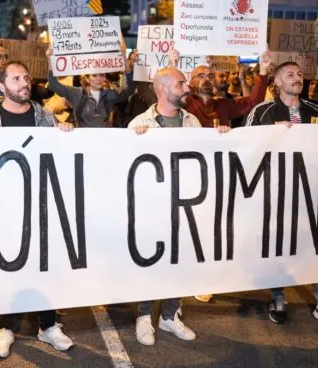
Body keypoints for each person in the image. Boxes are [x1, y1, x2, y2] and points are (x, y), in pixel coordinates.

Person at [0, 60, 75, 359]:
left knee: (44, 264)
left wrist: (65, 132)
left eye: (26, 77)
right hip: (3, 207)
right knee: (8, 266)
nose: (24, 82)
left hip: (41, 203)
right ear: (1, 87)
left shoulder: (44, 117)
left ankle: (48, 324)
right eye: (16, 79)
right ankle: (6, 327)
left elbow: (62, 159)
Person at [244, 61, 318, 331]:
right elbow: (244, 148)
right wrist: (271, 134)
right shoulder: (262, 112)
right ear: (278, 83)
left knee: (314, 246)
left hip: (309, 194)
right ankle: (278, 297)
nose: (298, 78)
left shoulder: (316, 111)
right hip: (274, 195)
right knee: (277, 247)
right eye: (290, 75)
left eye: (300, 74)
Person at [127, 67, 230, 346]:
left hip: (185, 208)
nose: (187, 87)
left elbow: (206, 159)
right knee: (150, 263)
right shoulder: (139, 123)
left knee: (180, 262)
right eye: (181, 83)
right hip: (153, 210)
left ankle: (169, 316)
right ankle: (144, 318)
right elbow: (126, 170)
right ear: (163, 89)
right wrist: (134, 142)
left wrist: (220, 136)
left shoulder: (192, 122)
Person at [46, 45, 137, 127]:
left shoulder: (109, 94)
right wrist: (50, 60)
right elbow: (54, 86)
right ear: (88, 78)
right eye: (94, 75)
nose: (98, 78)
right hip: (82, 140)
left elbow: (130, 90)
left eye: (101, 75)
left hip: (103, 139)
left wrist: (127, 69)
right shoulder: (77, 93)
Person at [182, 50, 270, 129]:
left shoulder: (223, 105)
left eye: (211, 76)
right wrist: (173, 63)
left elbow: (253, 103)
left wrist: (263, 70)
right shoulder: (186, 102)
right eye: (201, 76)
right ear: (192, 81)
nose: (207, 79)